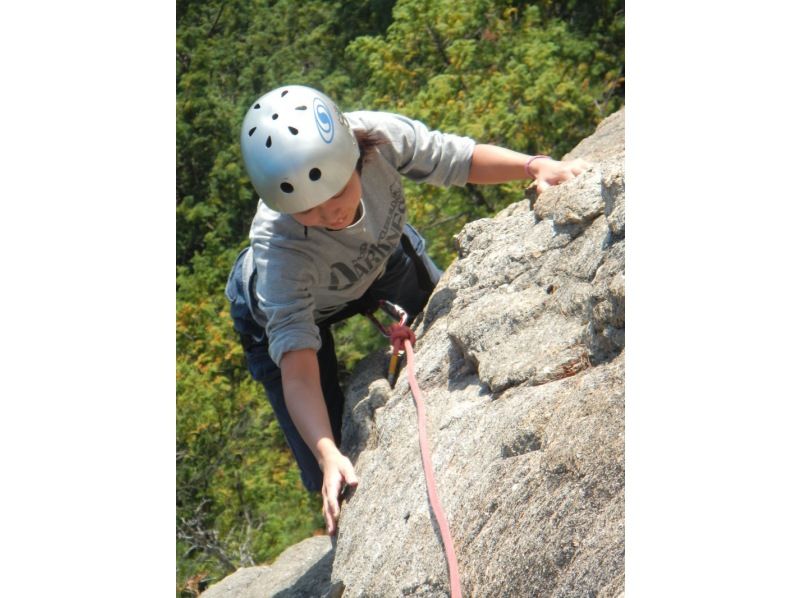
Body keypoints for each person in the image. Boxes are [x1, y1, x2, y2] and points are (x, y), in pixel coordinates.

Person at [225, 85, 588, 535]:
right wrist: (327, 455)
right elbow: (297, 369)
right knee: (332, 463)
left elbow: (457, 158)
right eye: (308, 212)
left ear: (356, 158)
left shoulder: (379, 137)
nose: (330, 215)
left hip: (378, 260)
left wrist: (534, 166)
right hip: (284, 314)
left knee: (446, 341)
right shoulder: (279, 250)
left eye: (336, 192)